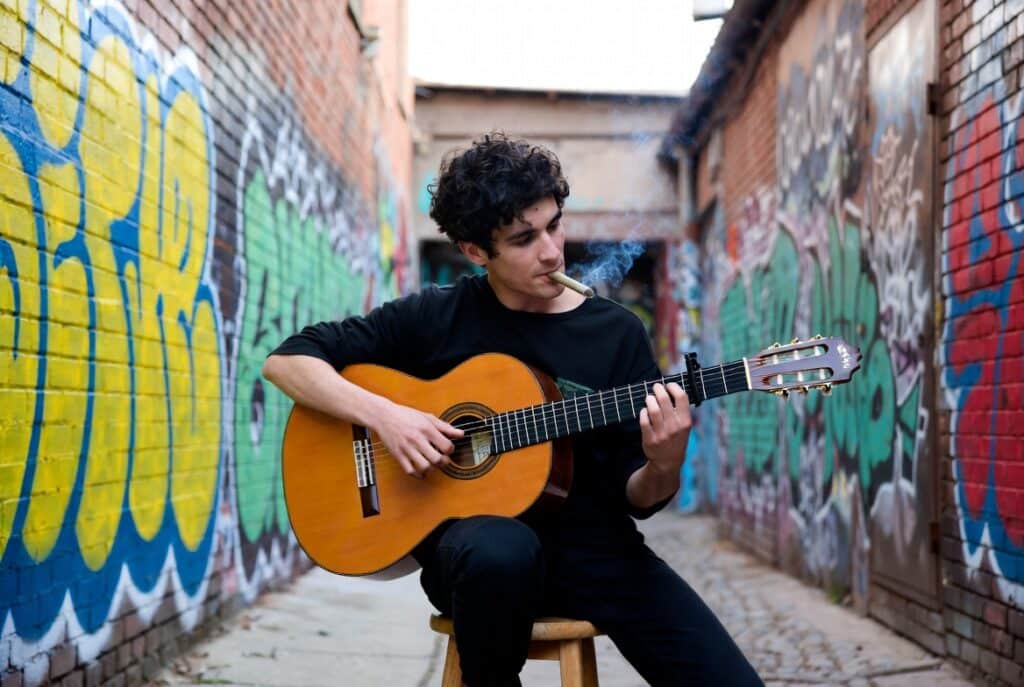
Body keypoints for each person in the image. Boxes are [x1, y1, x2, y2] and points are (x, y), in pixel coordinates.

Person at [262, 133, 763, 686]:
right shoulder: (438, 315)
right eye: (524, 238)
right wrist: (388, 417)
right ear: (476, 251)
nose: (551, 251)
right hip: (474, 560)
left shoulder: (615, 332)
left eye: (554, 225)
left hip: (595, 554)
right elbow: (287, 361)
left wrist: (665, 462)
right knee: (500, 550)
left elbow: (637, 496)